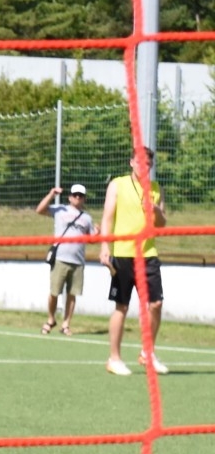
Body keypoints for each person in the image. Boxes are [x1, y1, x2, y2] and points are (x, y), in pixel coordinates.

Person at [98, 148, 168, 376]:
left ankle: (148, 353)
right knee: (122, 306)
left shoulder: (156, 189)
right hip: (123, 254)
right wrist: (105, 246)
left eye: (147, 163)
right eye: (139, 162)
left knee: (156, 304)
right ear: (131, 162)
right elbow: (107, 218)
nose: (142, 166)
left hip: (148, 255)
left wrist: (155, 210)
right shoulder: (117, 185)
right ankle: (114, 358)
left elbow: (161, 225)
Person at [35, 182, 96, 337]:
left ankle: (66, 324)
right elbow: (40, 210)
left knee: (72, 294)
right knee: (54, 292)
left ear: (84, 198)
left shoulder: (87, 218)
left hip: (78, 261)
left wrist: (97, 234)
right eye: (75, 195)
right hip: (60, 258)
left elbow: (91, 239)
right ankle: (51, 319)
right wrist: (51, 194)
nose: (78, 198)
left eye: (81, 195)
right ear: (70, 197)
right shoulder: (60, 210)